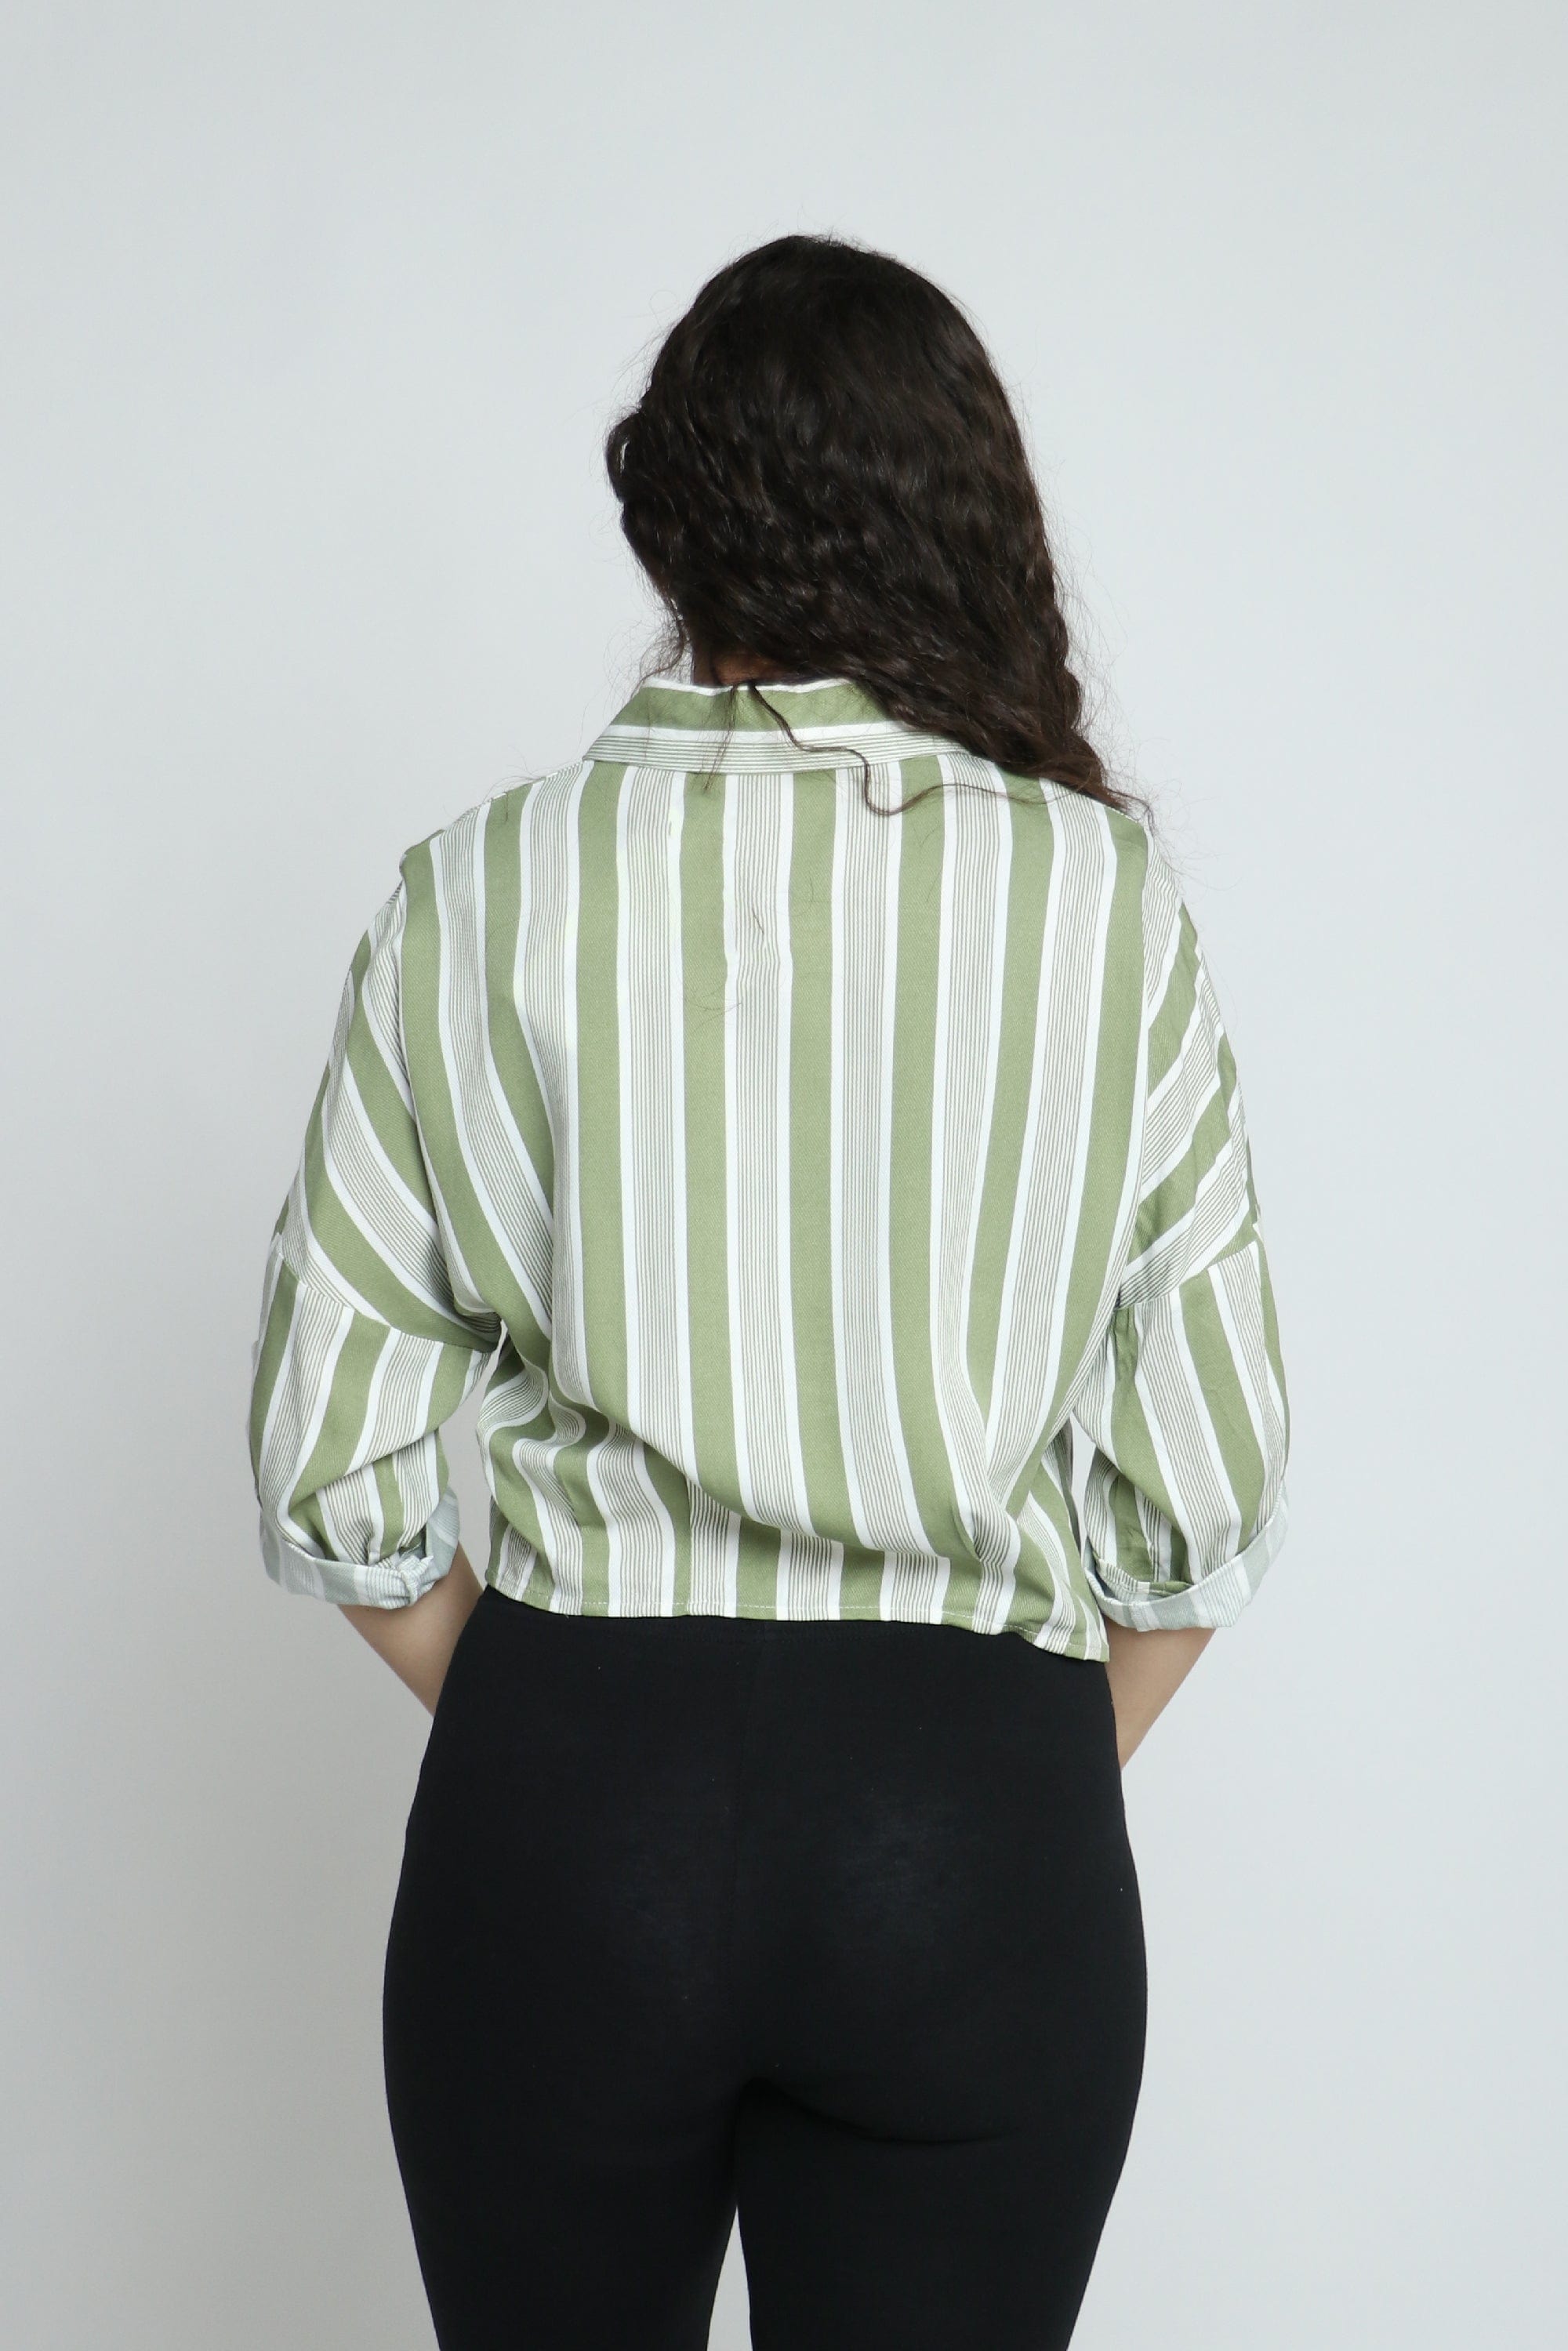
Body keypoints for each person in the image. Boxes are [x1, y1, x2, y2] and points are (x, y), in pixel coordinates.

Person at [246, 231, 1290, 2351]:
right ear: (963, 524)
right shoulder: (1102, 901)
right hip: (973, 1819)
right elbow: (1206, 1497)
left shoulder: (481, 887)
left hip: (572, 1811)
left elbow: (330, 1464)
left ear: (676, 521)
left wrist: (576, 1750)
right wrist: (976, 1783)